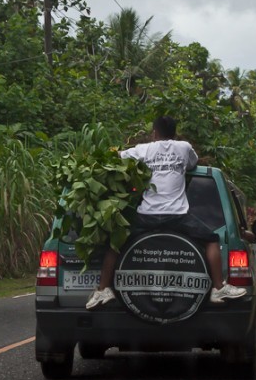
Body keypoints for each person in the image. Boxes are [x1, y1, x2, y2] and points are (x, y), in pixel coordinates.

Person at [86, 116, 247, 309]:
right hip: (177, 216)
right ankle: (218, 287)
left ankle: (103, 289)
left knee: (116, 244)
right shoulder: (184, 147)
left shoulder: (143, 150)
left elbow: (116, 157)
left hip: (147, 215)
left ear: (154, 133)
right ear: (175, 133)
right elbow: (192, 164)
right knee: (212, 239)